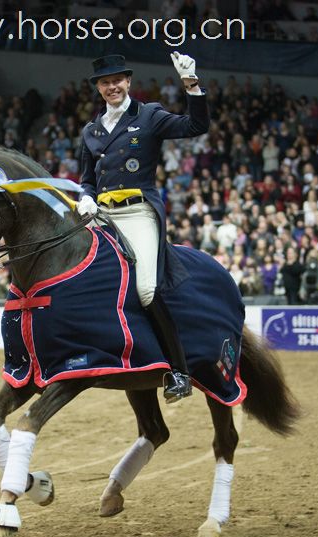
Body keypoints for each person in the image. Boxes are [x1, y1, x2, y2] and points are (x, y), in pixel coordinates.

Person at [78, 53, 210, 403]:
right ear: (98, 88)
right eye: (105, 83)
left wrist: (191, 84)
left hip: (137, 213)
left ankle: (179, 371)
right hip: (102, 215)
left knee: (147, 289)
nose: (112, 87)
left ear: (128, 82)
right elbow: (87, 179)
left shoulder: (148, 115)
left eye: (117, 80)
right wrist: (86, 197)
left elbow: (195, 127)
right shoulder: (90, 130)